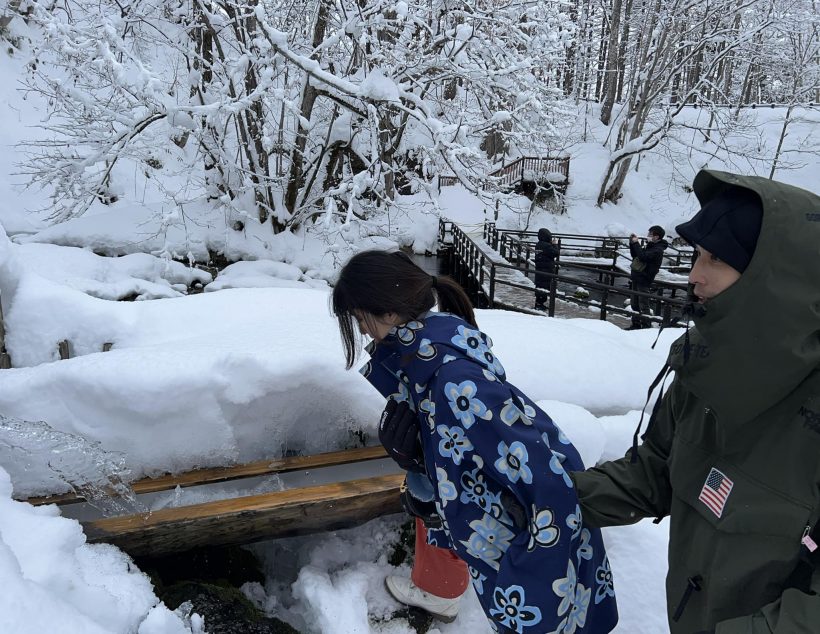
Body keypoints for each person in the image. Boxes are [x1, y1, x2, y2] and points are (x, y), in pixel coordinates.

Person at [571, 169, 820, 633]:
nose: (694, 276)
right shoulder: (703, 372)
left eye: (716, 260)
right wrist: (537, 497)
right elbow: (653, 473)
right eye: (697, 255)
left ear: (777, 281)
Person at [332, 250, 618, 634]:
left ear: (388, 312)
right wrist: (421, 468)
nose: (363, 330)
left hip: (529, 569)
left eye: (359, 317)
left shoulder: (452, 379)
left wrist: (528, 578)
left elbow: (545, 480)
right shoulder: (426, 363)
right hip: (498, 552)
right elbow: (468, 463)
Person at [627, 224, 668, 329]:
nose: (648, 235)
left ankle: (646, 327)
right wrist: (632, 244)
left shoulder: (658, 249)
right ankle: (635, 325)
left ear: (657, 236)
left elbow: (643, 257)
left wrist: (636, 243)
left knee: (643, 305)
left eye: (650, 234)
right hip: (637, 277)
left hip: (645, 279)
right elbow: (635, 256)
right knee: (634, 304)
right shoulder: (650, 245)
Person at [533, 228, 560, 311]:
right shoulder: (546, 246)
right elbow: (556, 253)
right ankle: (540, 304)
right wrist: (555, 244)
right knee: (544, 286)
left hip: (540, 269)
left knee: (540, 285)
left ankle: (539, 303)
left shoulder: (539, 244)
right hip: (546, 269)